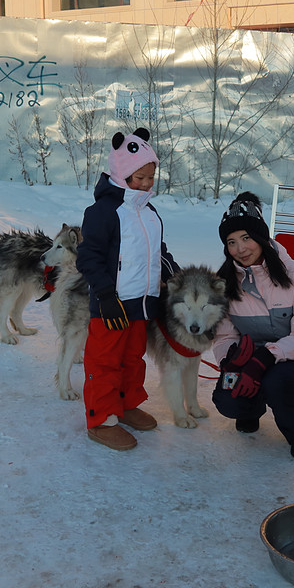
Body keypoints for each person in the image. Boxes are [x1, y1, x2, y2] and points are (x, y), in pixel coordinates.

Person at [76, 127, 180, 451]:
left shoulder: (149, 213)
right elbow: (88, 257)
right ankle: (101, 419)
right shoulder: (103, 213)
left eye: (151, 176)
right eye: (140, 177)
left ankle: (127, 404)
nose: (148, 184)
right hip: (112, 304)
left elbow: (157, 250)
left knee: (133, 358)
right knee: (104, 361)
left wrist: (171, 271)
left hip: (142, 302)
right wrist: (105, 295)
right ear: (122, 174)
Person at [211, 191, 294, 458]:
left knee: (276, 380)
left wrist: (265, 357)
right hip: (249, 357)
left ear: (260, 236)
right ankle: (250, 409)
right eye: (231, 242)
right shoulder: (224, 281)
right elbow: (223, 335)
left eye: (246, 238)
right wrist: (231, 360)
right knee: (228, 397)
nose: (240, 249)